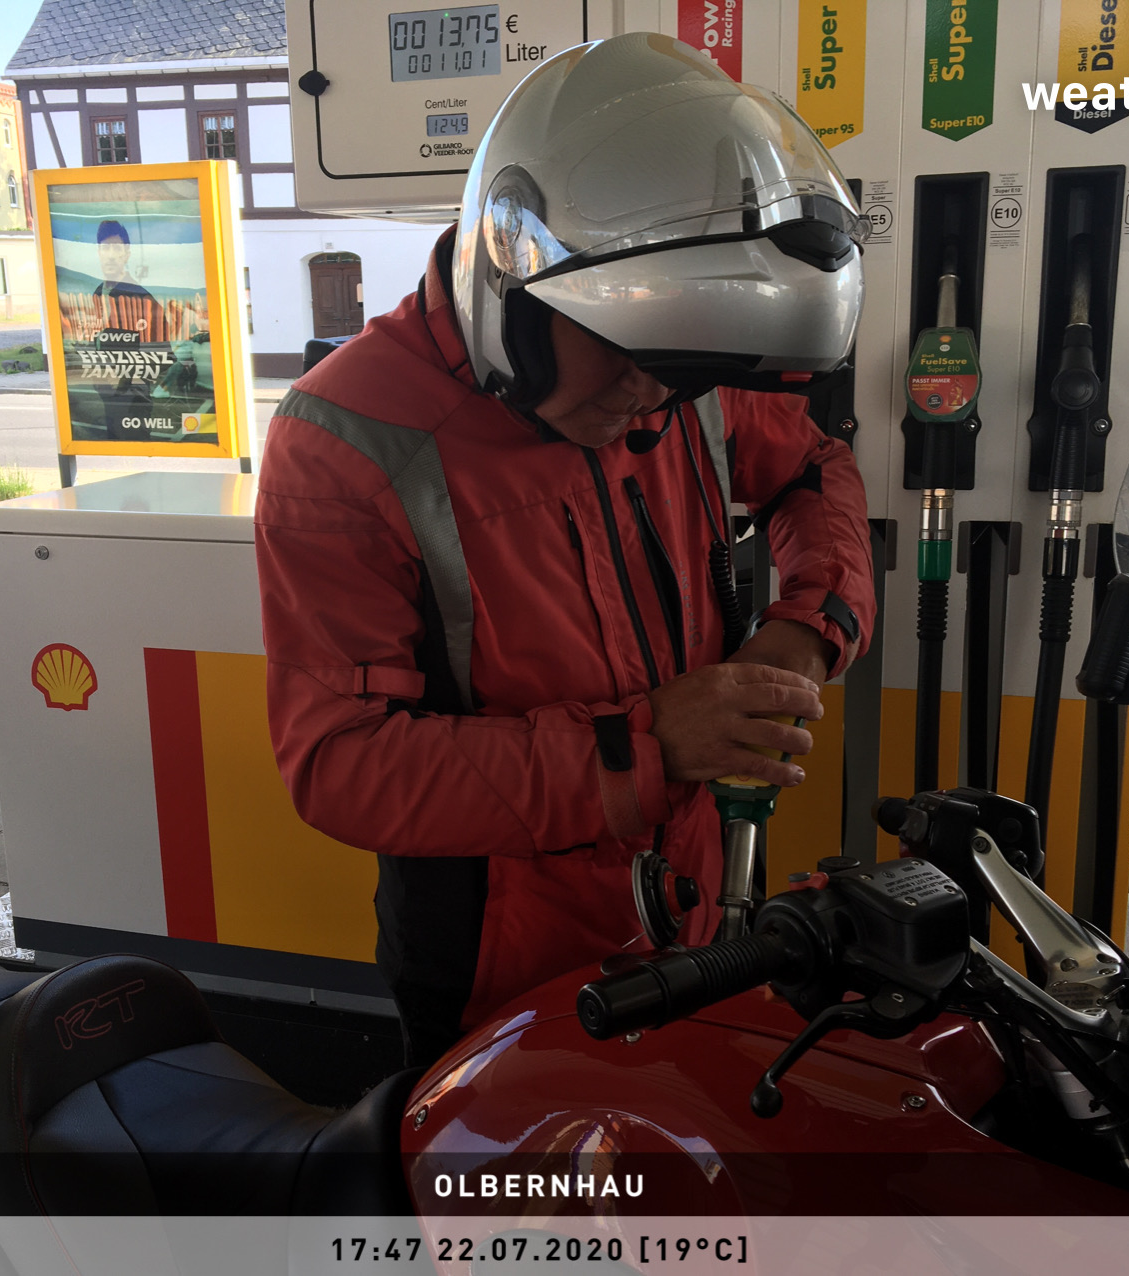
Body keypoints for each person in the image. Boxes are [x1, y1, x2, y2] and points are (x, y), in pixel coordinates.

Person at [255, 33, 876, 1067]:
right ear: (517, 280)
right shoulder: (347, 437)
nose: (650, 395)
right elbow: (342, 764)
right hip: (501, 970)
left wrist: (806, 632)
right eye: (627, 355)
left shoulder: (674, 378)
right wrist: (647, 746)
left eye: (674, 368)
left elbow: (815, 467)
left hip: (702, 906)